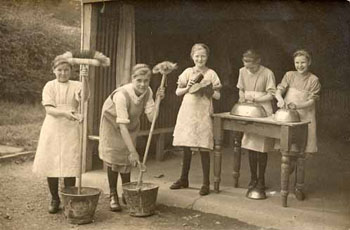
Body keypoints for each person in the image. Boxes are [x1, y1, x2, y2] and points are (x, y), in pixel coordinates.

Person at [99, 64, 164, 212]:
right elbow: (121, 125)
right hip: (113, 123)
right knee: (114, 157)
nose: (142, 84)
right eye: (139, 80)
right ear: (132, 79)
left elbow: (151, 117)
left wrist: (158, 101)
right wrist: (133, 151)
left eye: (146, 80)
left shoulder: (148, 92)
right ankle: (113, 194)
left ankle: (126, 192)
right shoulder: (121, 95)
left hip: (131, 123)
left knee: (127, 158)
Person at [32, 52, 90, 214]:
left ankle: (69, 198)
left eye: (66, 70)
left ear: (71, 71)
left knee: (69, 163)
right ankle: (54, 198)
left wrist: (86, 79)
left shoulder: (77, 84)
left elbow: (84, 98)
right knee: (53, 163)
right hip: (53, 126)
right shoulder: (49, 86)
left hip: (71, 128)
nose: (63, 73)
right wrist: (65, 113)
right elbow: (49, 109)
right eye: (60, 70)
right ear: (54, 70)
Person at [170, 43, 222, 196]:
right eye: (197, 56)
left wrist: (208, 90)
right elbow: (178, 92)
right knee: (186, 145)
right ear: (192, 56)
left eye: (203, 56)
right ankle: (183, 179)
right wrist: (188, 87)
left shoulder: (211, 73)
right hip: (188, 110)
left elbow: (218, 96)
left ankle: (206, 183)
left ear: (207, 57)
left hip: (203, 112)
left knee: (203, 146)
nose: (200, 59)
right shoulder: (187, 72)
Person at [275, 49, 321, 200]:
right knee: (288, 151)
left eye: (303, 62)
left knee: (301, 153)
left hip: (305, 116)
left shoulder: (313, 79)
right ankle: (284, 186)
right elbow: (279, 89)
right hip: (289, 116)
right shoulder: (289, 75)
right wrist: (280, 98)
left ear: (309, 62)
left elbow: (311, 101)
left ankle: (299, 188)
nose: (300, 65)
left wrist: (298, 106)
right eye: (297, 62)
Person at [236, 49, 276, 199]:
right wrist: (242, 98)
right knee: (250, 145)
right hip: (247, 109)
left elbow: (271, 94)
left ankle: (261, 179)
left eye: (251, 64)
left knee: (262, 147)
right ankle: (253, 178)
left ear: (258, 61)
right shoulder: (242, 71)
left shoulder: (267, 73)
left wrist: (256, 99)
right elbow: (241, 89)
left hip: (263, 109)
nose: (248, 67)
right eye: (245, 63)